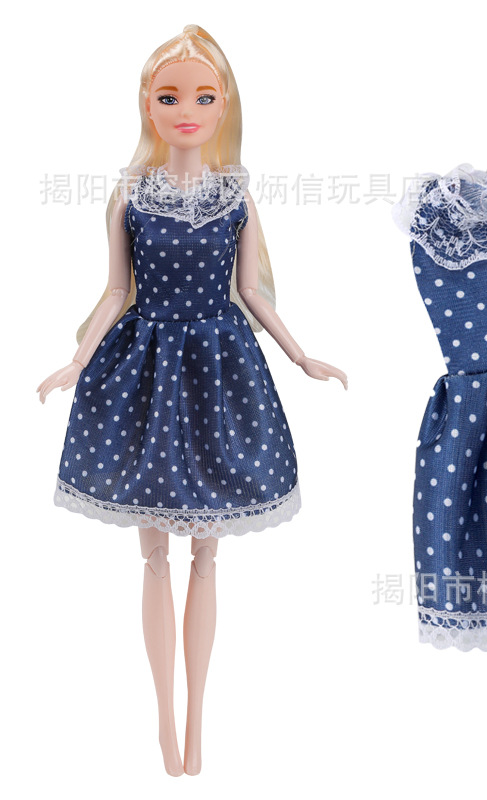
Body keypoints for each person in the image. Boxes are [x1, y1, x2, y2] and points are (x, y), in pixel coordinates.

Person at [36, 24, 346, 776]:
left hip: (218, 373)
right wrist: (77, 360)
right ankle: (163, 724)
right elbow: (117, 287)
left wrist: (301, 354)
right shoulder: (129, 195)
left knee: (206, 557)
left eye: (204, 97)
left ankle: (197, 723)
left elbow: (252, 291)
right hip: (144, 373)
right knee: (154, 558)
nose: (186, 111)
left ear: (224, 106)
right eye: (170, 96)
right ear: (147, 104)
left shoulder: (236, 196)